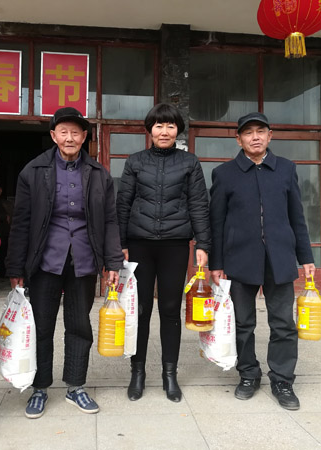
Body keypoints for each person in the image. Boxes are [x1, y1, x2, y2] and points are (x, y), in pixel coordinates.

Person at [5, 106, 123, 419]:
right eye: (64, 132)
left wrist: (113, 262)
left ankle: (76, 386)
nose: (70, 138)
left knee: (79, 325)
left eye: (76, 132)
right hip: (46, 261)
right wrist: (15, 267)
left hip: (83, 260)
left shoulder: (99, 174)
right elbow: (21, 222)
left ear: (84, 137)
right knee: (41, 325)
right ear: (53, 136)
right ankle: (40, 387)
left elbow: (110, 221)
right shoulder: (33, 171)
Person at [209, 112, 315, 411]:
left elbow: (297, 216)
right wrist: (216, 263)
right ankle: (248, 374)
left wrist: (306, 256)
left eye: (260, 131)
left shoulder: (286, 169)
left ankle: (282, 380)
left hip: (279, 258)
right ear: (238, 139)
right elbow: (216, 222)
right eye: (248, 132)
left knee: (283, 323)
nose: (255, 137)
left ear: (270, 135)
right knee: (243, 323)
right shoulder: (224, 173)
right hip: (239, 258)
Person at [116, 103, 211, 402]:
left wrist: (203, 244)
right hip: (139, 244)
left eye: (170, 125)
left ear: (177, 130)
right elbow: (123, 203)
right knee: (141, 309)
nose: (164, 131)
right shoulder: (135, 161)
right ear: (150, 130)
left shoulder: (189, 162)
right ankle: (138, 373)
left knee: (170, 309)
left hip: (174, 245)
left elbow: (199, 204)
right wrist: (120, 243)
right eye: (159, 125)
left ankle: (170, 374)